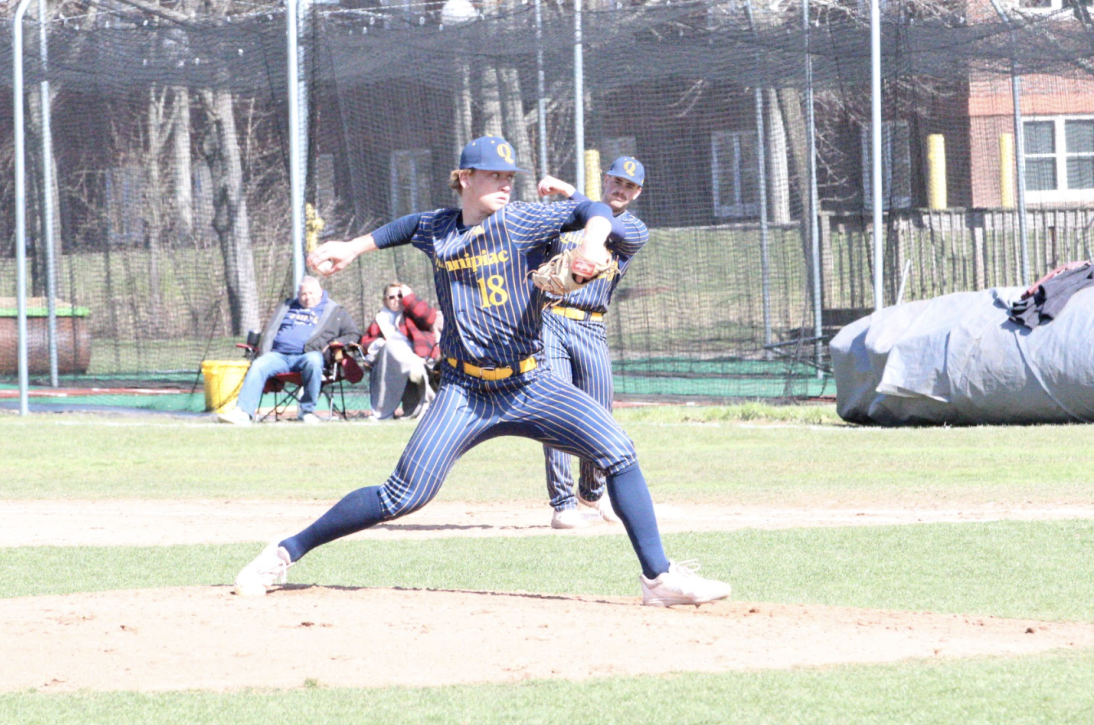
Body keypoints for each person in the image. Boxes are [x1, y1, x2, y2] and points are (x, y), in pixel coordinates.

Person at [234, 136, 730, 607]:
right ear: (464, 177)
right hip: (465, 392)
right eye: (493, 175)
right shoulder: (439, 229)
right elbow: (405, 227)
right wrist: (352, 247)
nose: (505, 183)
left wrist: (592, 241)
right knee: (402, 495)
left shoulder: (524, 222)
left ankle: (658, 578)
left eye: (509, 176)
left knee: (618, 451)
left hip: (530, 384)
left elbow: (591, 210)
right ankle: (284, 552)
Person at [536, 157, 647, 530]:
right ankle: (563, 504)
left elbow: (601, 223)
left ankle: (591, 490)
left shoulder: (633, 229)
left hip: (591, 327)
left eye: (629, 186)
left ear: (637, 193)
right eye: (617, 181)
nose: (621, 189)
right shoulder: (565, 220)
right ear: (607, 179)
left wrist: (568, 189)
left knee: (600, 417)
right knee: (554, 407)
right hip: (551, 319)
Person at [219, 274, 360, 425]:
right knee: (258, 364)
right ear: (298, 295)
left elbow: (354, 334)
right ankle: (243, 412)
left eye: (311, 293)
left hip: (309, 355)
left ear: (320, 292)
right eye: (303, 294)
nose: (307, 298)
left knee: (313, 361)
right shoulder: (286, 307)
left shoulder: (335, 311)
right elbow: (271, 331)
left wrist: (336, 342)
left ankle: (306, 411)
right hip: (278, 356)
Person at [360, 282, 441, 421]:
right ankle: (415, 370)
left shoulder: (413, 313)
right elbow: (367, 342)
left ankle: (387, 413)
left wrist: (410, 298)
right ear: (385, 300)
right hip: (391, 361)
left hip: (418, 354)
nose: (396, 299)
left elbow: (430, 317)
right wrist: (379, 344)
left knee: (396, 350)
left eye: (400, 295)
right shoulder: (381, 318)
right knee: (390, 347)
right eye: (391, 297)